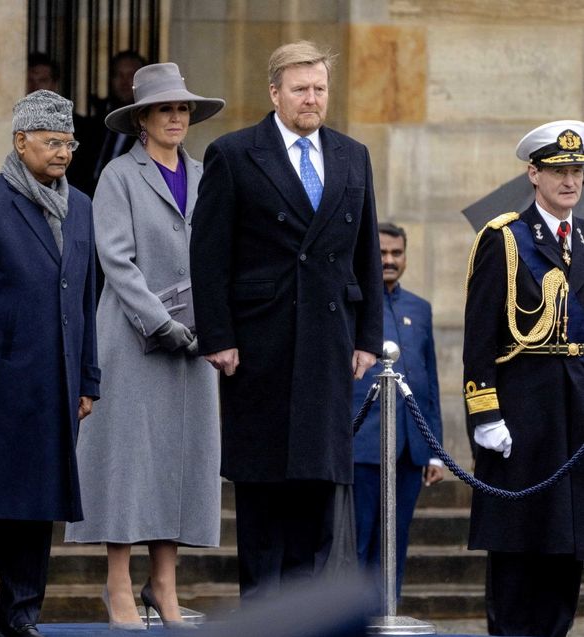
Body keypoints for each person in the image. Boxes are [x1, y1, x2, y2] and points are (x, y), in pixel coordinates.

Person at [189, 40, 383, 601]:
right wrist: (219, 336)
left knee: (318, 490)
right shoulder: (234, 153)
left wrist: (368, 336)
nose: (312, 99)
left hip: (328, 340)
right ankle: (262, 614)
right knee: (265, 491)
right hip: (261, 342)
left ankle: (303, 615)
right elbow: (209, 255)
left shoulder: (352, 154)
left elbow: (364, 252)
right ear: (274, 93)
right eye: (300, 89)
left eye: (320, 88)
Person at [64, 62, 224, 631]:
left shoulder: (207, 175)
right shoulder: (117, 177)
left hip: (196, 341)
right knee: (128, 463)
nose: (176, 118)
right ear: (142, 121)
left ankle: (164, 587)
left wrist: (212, 322)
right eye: (165, 109)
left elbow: (219, 256)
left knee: (182, 462)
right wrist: (161, 321)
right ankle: (116, 586)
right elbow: (117, 261)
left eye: (182, 109)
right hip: (133, 339)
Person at [0, 90, 100, 637]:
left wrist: (88, 379)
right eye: (51, 142)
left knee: (38, 502)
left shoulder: (82, 206)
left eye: (68, 143)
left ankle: (23, 612)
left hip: (55, 385)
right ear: (20, 141)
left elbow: (85, 301)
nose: (62, 153)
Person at [463, 119, 584, 637]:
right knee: (518, 552)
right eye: (558, 170)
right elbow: (479, 338)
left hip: (576, 417)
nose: (570, 181)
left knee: (568, 553)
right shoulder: (506, 237)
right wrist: (486, 414)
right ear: (533, 174)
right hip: (521, 417)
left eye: (577, 170)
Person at [351, 222, 444, 598]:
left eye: (396, 253)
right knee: (359, 542)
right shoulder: (353, 303)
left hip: (409, 448)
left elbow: (430, 383)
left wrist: (435, 450)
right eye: (382, 253)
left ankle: (385, 615)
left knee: (396, 541)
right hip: (363, 445)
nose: (389, 260)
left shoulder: (420, 308)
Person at [67, 50, 147, 198]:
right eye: (119, 75)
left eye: (131, 76)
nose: (124, 82)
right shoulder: (95, 124)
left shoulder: (149, 130)